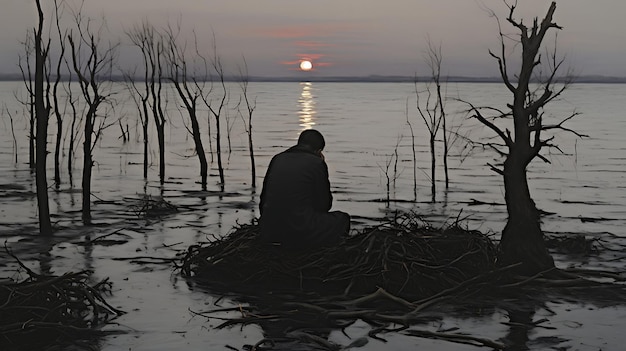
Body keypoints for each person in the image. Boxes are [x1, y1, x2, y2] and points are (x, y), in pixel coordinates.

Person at [259, 129, 350, 249]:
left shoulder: (277, 159)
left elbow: (263, 202)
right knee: (343, 219)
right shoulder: (316, 163)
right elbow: (324, 205)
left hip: (269, 230)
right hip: (299, 231)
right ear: (318, 151)